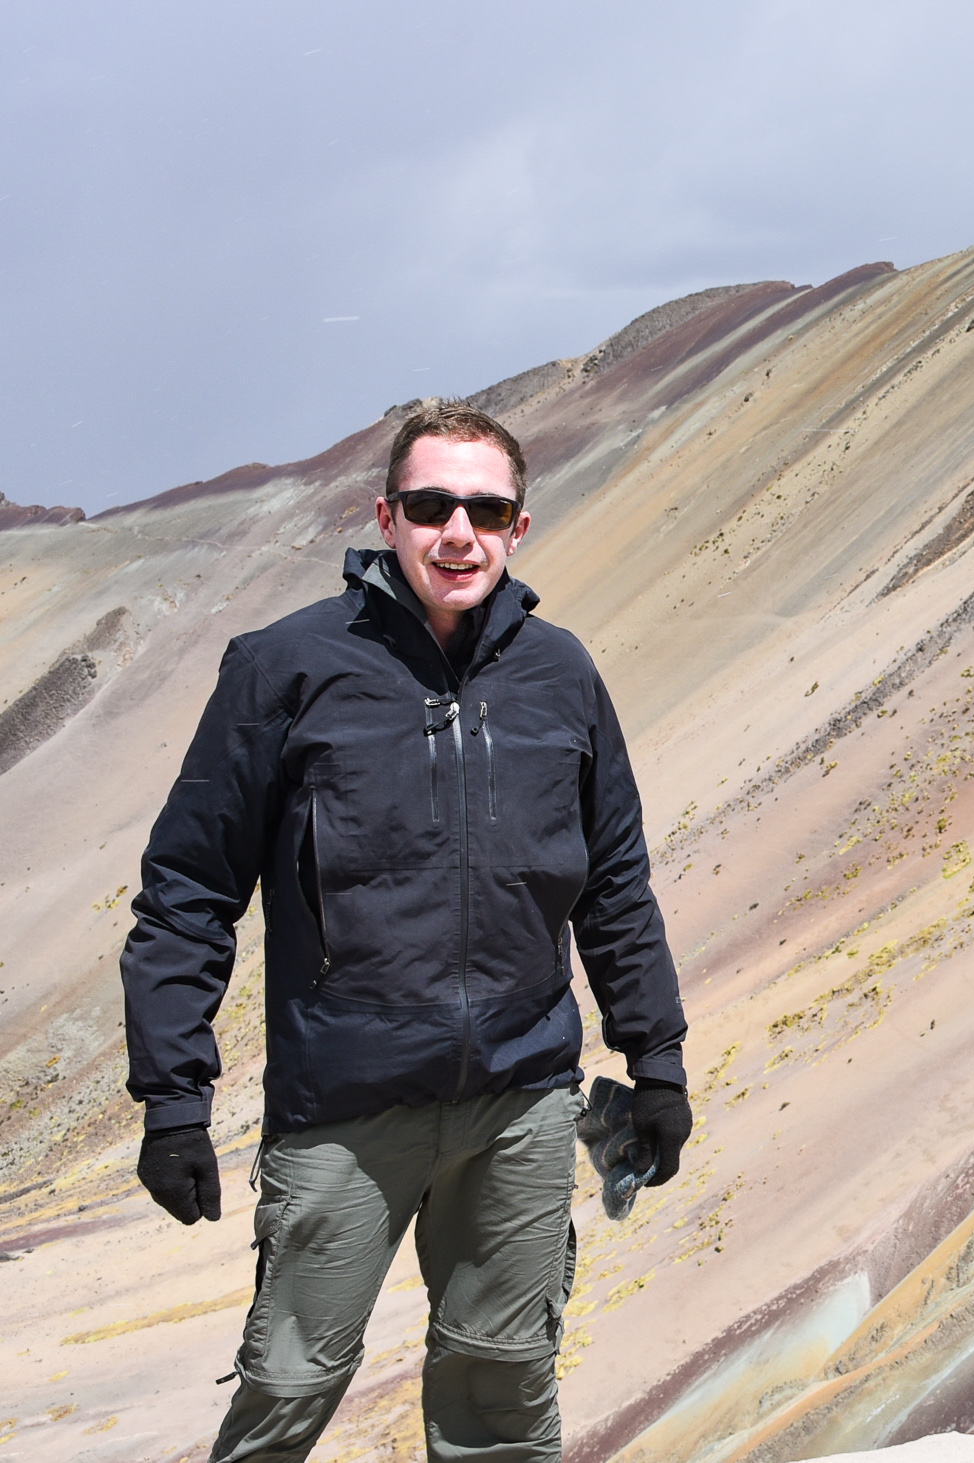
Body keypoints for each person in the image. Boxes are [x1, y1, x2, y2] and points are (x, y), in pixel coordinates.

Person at [121, 403, 692, 1462]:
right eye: (431, 506)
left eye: (486, 508)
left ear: (519, 526)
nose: (457, 533)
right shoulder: (284, 669)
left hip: (520, 1099)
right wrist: (172, 1099)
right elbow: (190, 888)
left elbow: (614, 880)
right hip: (345, 1102)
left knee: (502, 1388)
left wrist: (653, 1060)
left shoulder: (561, 675)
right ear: (386, 516)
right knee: (288, 1386)